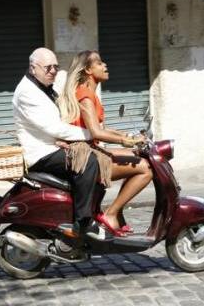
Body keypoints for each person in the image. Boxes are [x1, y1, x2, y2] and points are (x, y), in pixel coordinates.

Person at [12, 47, 108, 240]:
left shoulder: (45, 87)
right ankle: (83, 222)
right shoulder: (27, 92)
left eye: (56, 67)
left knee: (97, 158)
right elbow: (54, 127)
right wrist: (91, 133)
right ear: (33, 68)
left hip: (51, 146)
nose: (53, 71)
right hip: (41, 155)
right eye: (48, 67)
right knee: (88, 161)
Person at [56, 50, 153, 237]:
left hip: (90, 148)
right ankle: (111, 214)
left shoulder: (89, 92)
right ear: (88, 70)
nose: (105, 65)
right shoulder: (85, 94)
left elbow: (99, 129)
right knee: (145, 169)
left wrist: (126, 135)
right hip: (85, 155)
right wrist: (124, 140)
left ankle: (118, 212)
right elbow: (96, 132)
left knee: (137, 156)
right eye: (100, 63)